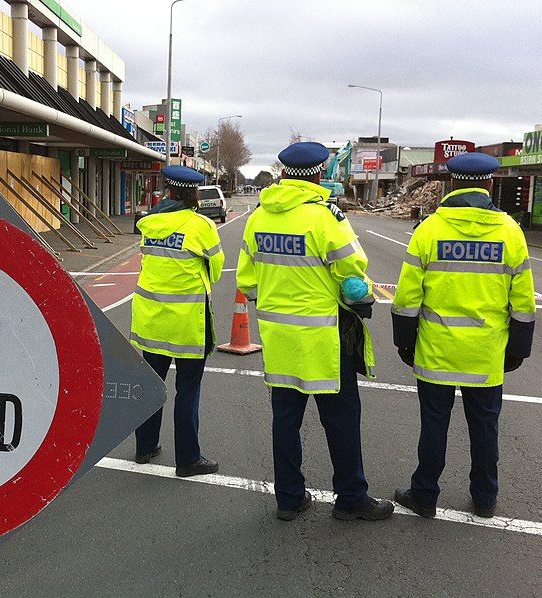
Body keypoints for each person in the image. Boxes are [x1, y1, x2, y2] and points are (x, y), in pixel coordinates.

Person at [236, 142, 394, 521]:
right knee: (340, 419)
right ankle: (351, 499)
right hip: (325, 338)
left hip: (278, 338)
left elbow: (248, 282)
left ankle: (289, 499)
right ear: (319, 174)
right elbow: (353, 278)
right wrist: (358, 299)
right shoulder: (327, 218)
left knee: (285, 420)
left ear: (284, 174)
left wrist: (279, 302)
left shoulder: (258, 218)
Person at [391, 152, 536, 518]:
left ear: (451, 184)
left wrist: (404, 341)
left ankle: (424, 495)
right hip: (485, 353)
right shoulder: (509, 232)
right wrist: (518, 348)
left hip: (437, 350)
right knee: (485, 428)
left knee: (434, 426)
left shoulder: (429, 230)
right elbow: (522, 300)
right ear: (489, 184)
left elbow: (407, 296)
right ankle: (485, 498)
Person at [130, 165, 225, 477]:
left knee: (151, 385)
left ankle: (145, 448)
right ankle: (187, 459)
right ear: (193, 192)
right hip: (186, 325)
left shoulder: (147, 222)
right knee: (187, 390)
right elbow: (216, 267)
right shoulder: (201, 226)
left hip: (150, 320)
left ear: (168, 190)